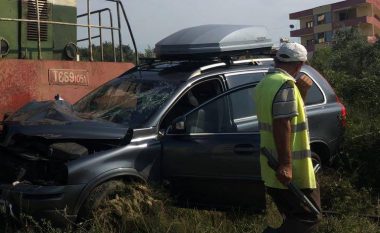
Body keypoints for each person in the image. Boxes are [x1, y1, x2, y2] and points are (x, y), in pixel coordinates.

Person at [254, 42, 322, 233]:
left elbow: (286, 115)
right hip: (289, 170)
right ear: (300, 65)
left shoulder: (265, 83)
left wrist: (302, 92)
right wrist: (286, 164)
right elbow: (282, 122)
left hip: (271, 166)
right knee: (310, 217)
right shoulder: (285, 85)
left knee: (296, 216)